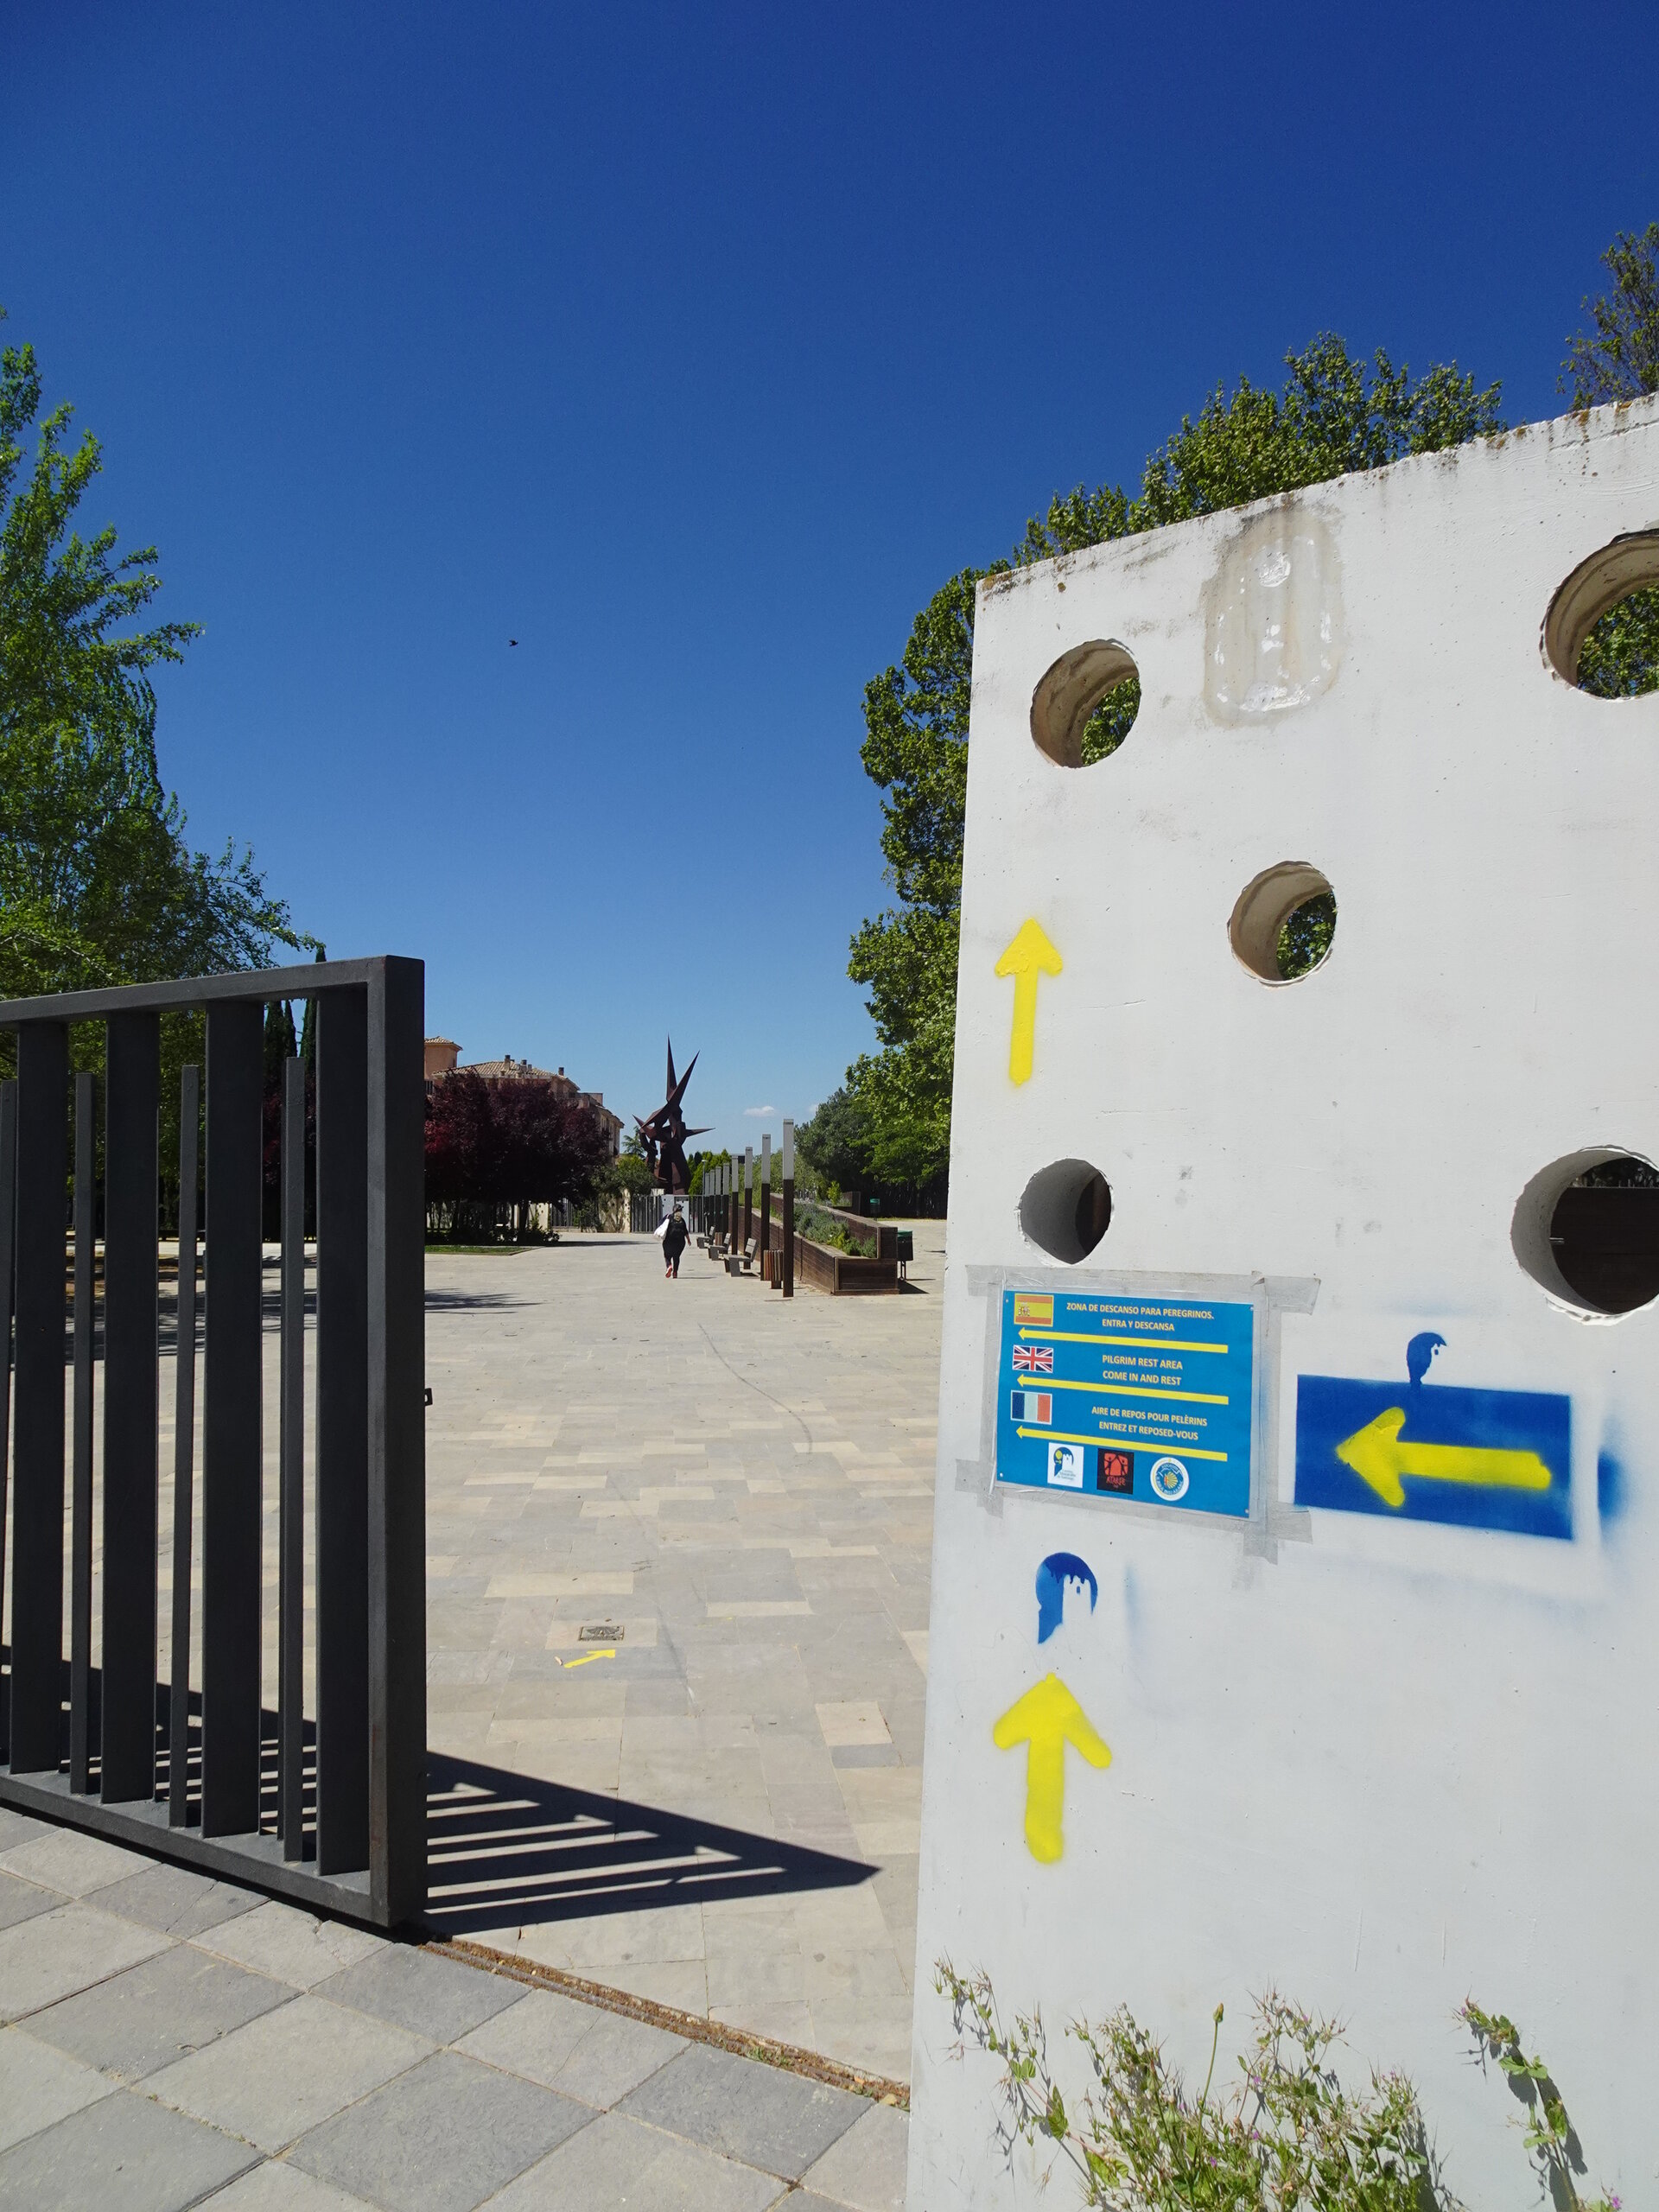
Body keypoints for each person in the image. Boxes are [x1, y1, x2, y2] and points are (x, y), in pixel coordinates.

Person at [661, 1202, 689, 1280]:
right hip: (680, 1243)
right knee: (676, 1257)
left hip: (669, 1242)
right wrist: (689, 1240)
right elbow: (686, 1231)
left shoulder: (669, 1218)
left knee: (667, 1256)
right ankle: (675, 1272)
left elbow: (662, 1227)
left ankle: (669, 1266)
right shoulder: (682, 1220)